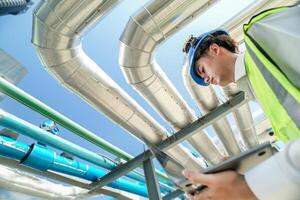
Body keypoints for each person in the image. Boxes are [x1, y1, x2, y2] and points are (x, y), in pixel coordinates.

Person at [181, 6, 300, 200]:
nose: (206, 80)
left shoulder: (260, 31)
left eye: (202, 70)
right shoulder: (256, 89)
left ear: (214, 49)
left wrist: (252, 187)